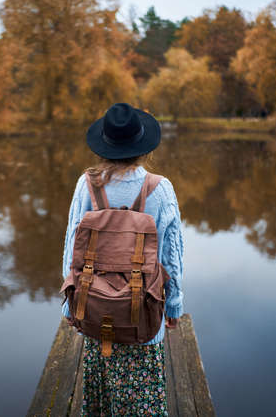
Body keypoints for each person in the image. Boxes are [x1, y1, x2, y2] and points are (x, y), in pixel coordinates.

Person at [62, 103, 184, 416]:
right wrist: (173, 306)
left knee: (101, 401)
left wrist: (70, 303)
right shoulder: (160, 189)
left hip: (94, 306)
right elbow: (171, 256)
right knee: (143, 404)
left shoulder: (87, 183)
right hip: (142, 311)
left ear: (104, 145)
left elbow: (72, 245)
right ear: (143, 146)